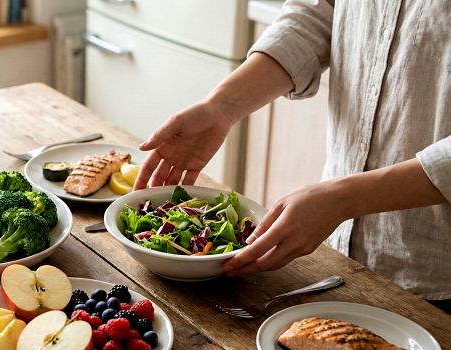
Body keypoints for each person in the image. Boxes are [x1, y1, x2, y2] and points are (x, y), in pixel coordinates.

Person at [134, 0, 451, 305]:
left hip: (436, 277)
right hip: (335, 250)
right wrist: (220, 108)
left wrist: (346, 198)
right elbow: (319, 11)